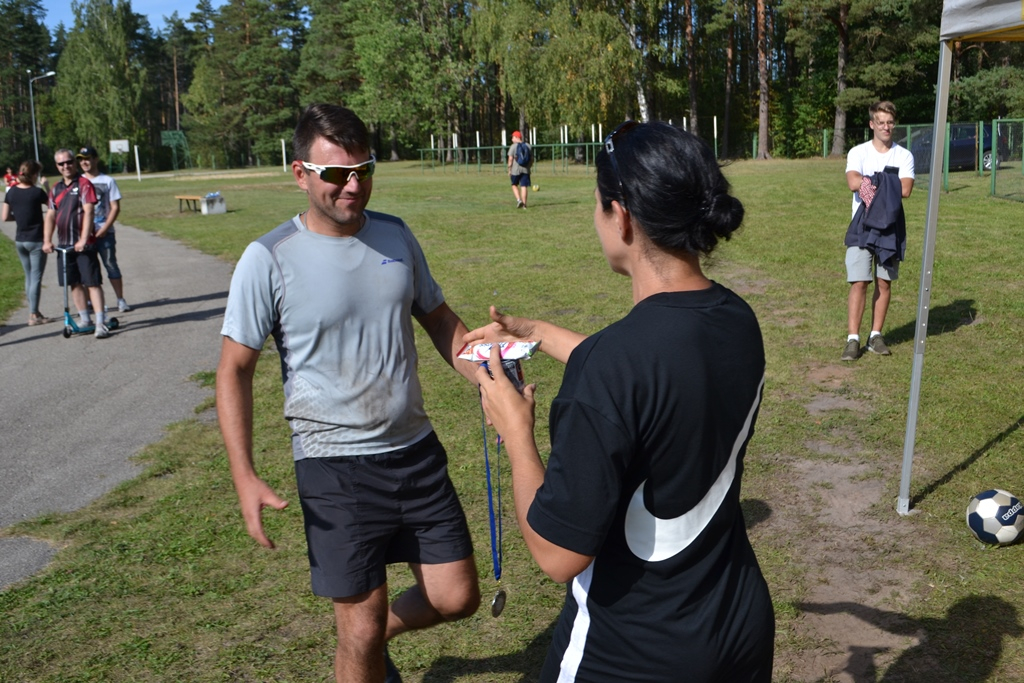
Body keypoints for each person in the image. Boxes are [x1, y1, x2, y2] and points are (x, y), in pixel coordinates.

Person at [471, 121, 775, 682]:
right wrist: (535, 330)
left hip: (632, 652)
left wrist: (516, 431)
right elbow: (658, 372)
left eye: (597, 204)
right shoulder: (738, 319)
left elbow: (558, 555)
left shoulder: (613, 366)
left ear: (624, 218)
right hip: (738, 626)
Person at [216, 103, 480, 683]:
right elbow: (233, 369)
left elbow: (437, 318)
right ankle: (360, 645)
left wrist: (487, 375)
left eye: (365, 170)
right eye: (337, 174)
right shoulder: (268, 259)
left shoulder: (395, 234)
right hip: (334, 464)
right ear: (300, 173)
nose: (353, 186)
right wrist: (244, 474)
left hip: (415, 450)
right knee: (357, 628)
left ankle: (364, 642)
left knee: (456, 597)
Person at [841, 100, 915, 361]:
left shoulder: (904, 155)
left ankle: (875, 336)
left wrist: (871, 183)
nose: (886, 127)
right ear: (872, 124)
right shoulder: (858, 152)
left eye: (890, 122)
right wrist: (887, 184)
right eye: (881, 122)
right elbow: (852, 181)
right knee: (859, 281)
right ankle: (853, 340)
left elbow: (905, 189)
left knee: (884, 282)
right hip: (861, 223)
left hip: (891, 226)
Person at [42, 148, 109, 338]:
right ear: (57, 166)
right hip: (64, 246)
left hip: (83, 245)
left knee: (92, 283)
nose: (66, 166)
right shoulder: (56, 188)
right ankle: (84, 318)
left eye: (69, 162)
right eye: (61, 164)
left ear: (74, 162)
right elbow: (51, 215)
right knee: (74, 283)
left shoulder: (84, 184)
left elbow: (88, 212)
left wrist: (83, 239)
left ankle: (100, 322)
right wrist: (47, 240)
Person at [77, 146, 130, 312]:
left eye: (88, 158)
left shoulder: (107, 181)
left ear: (95, 159)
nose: (84, 162)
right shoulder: (77, 181)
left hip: (104, 232)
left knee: (110, 264)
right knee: (88, 269)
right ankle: (92, 302)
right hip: (85, 234)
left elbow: (115, 207)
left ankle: (120, 299)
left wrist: (105, 228)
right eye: (81, 159)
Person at [2, 160, 53, 325]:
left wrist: (21, 218)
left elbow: (5, 217)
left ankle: (34, 311)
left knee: (29, 277)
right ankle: (34, 315)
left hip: (20, 241)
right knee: (36, 278)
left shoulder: (11, 192)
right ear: (33, 175)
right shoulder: (37, 192)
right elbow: (54, 205)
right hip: (37, 240)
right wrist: (47, 186)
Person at [507, 130, 531, 209]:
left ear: (517, 137)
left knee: (514, 185)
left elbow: (510, 159)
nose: (512, 139)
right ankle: (524, 205)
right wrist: (529, 167)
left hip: (515, 170)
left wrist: (509, 169)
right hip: (526, 170)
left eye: (513, 137)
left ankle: (519, 200)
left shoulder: (513, 146)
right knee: (524, 186)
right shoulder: (528, 146)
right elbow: (532, 159)